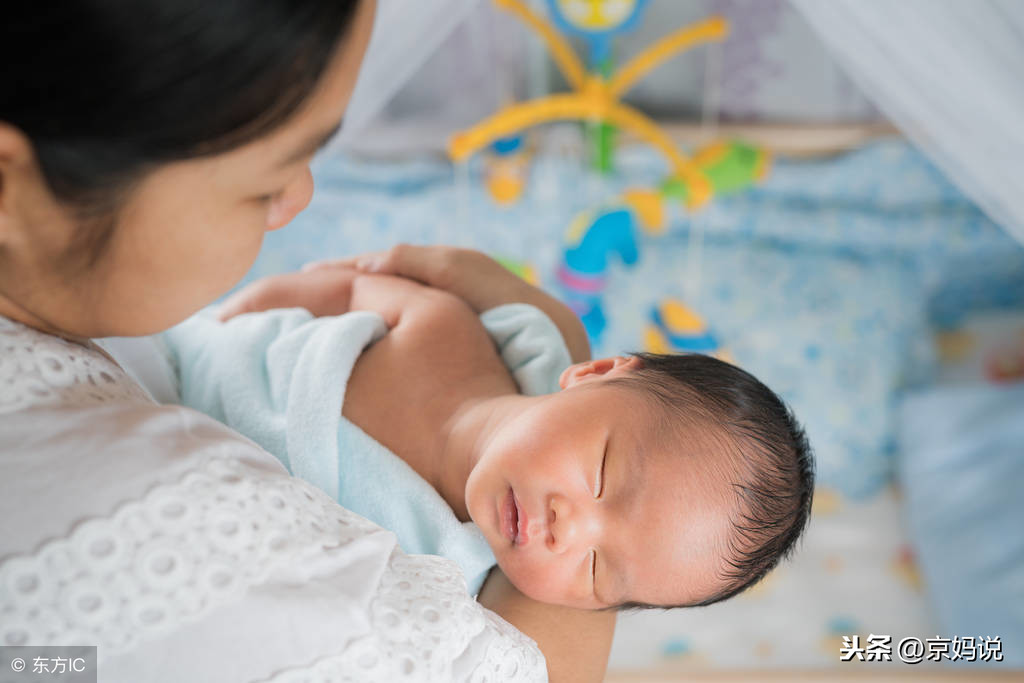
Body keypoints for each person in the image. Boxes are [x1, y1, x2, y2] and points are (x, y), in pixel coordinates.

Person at [0, 2, 616, 681]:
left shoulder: (451, 540)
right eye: (268, 180)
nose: (299, 198)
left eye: (605, 565)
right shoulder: (173, 525)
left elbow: (37, 662)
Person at [167, 245, 815, 611]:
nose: (570, 530)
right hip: (172, 354)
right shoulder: (453, 330)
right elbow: (347, 291)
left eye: (597, 570)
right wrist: (244, 308)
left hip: (172, 487)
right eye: (601, 475)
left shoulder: (441, 573)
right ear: (590, 373)